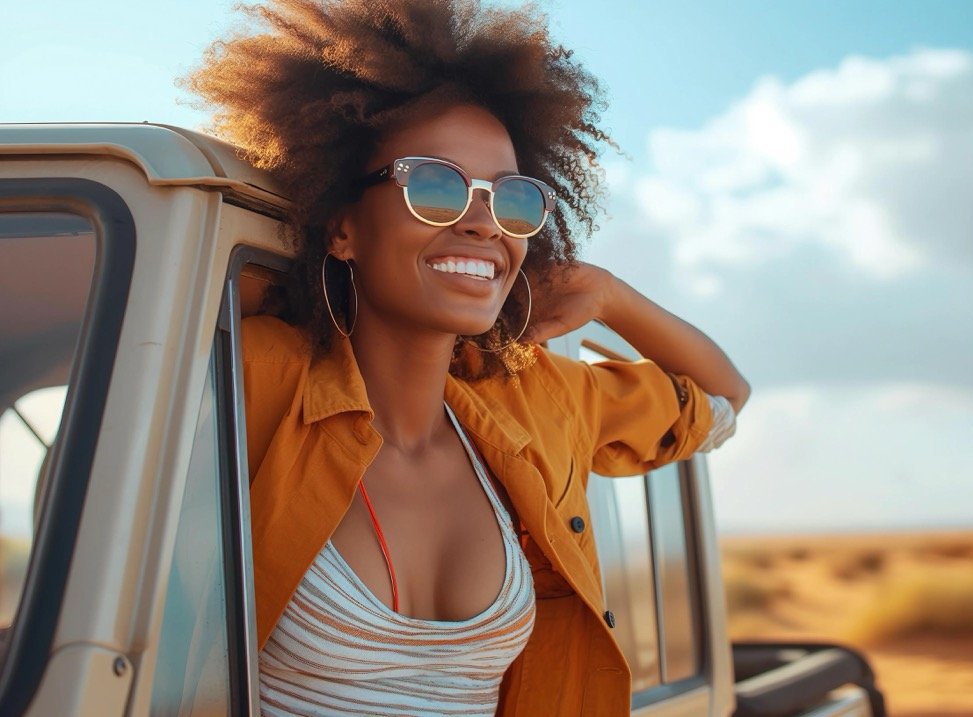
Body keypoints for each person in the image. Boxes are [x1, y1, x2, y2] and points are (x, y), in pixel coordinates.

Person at [186, 1, 749, 715]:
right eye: (434, 185)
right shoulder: (254, 374)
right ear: (341, 226)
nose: (484, 221)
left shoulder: (536, 402)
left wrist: (604, 292)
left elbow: (723, 395)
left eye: (512, 199)